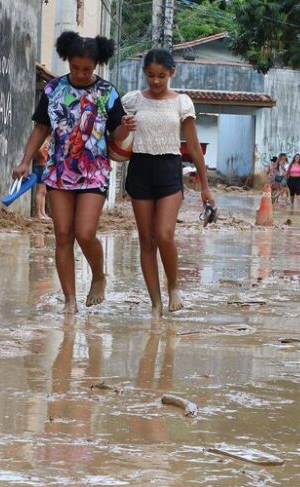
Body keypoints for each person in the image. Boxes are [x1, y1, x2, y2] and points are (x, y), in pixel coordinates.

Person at [13, 31, 128, 314]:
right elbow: (41, 127)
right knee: (63, 234)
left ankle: (98, 276)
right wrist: (25, 161)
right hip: (59, 171)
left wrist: (128, 126)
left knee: (85, 232)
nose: (80, 73)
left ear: (96, 65)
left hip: (95, 172)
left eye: (87, 69)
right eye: (75, 67)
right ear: (68, 61)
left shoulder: (107, 93)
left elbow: (118, 134)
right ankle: (70, 301)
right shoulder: (53, 90)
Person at [121, 48, 214, 316]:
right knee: (146, 241)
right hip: (139, 168)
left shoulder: (182, 102)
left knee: (163, 234)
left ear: (172, 72)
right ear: (144, 73)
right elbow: (115, 136)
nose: (156, 81)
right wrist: (124, 126)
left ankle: (173, 286)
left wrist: (205, 187)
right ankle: (155, 303)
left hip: (169, 168)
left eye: (162, 75)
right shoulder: (132, 100)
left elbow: (194, 148)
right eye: (151, 75)